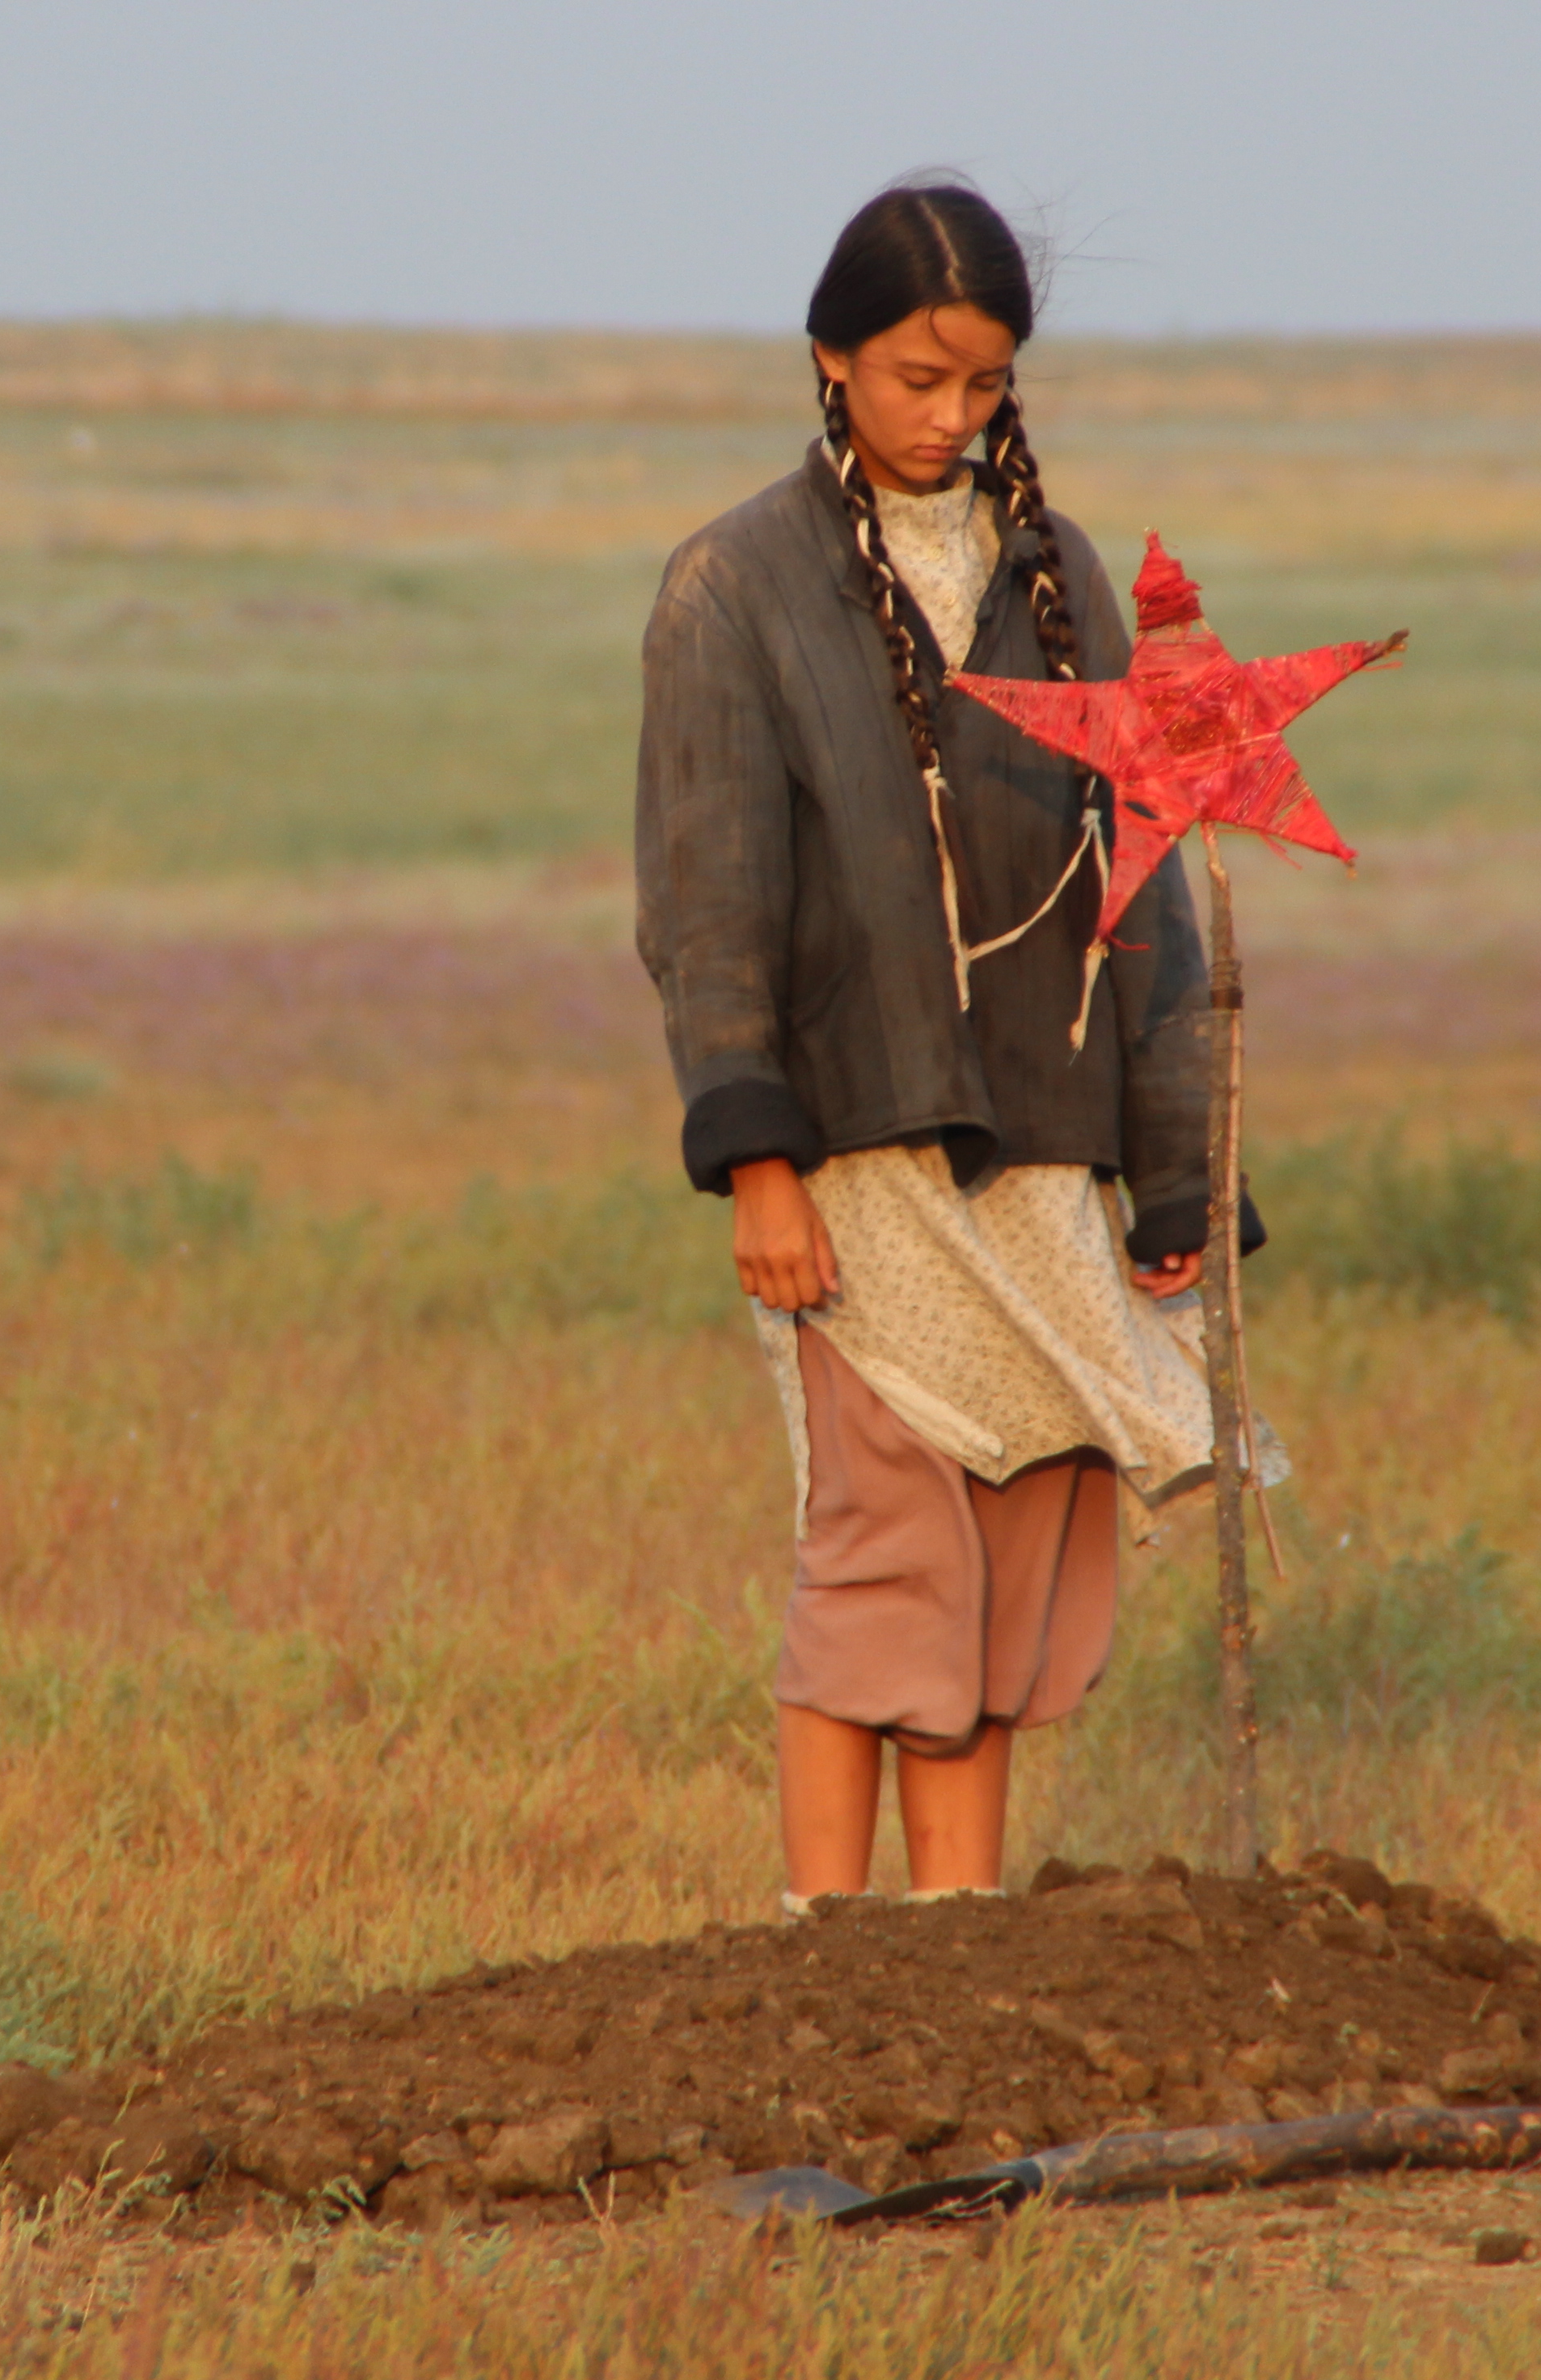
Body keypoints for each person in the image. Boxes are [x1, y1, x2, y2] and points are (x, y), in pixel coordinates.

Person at [634, 179, 1254, 1911]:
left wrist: (1181, 1171)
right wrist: (757, 1162)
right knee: (885, 1560)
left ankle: (955, 1962)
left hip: (1050, 1141)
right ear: (831, 359)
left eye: (981, 384)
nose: (949, 416)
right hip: (854, 1153)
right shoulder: (733, 587)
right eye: (916, 376)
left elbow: (1150, 907)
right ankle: (831, 1961)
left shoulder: (1060, 580)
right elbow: (708, 905)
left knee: (1009, 1557)